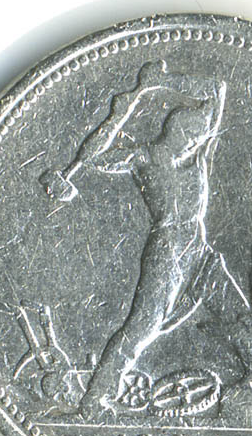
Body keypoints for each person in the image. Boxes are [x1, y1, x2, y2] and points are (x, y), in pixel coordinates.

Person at [39, 60, 227, 415]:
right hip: (168, 245)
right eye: (192, 135)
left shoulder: (196, 156)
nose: (198, 140)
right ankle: (95, 398)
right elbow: (94, 158)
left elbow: (216, 90)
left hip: (197, 243)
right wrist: (118, 115)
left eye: (200, 136)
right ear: (175, 132)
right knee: (144, 326)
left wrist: (164, 80)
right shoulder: (143, 157)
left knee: (232, 307)